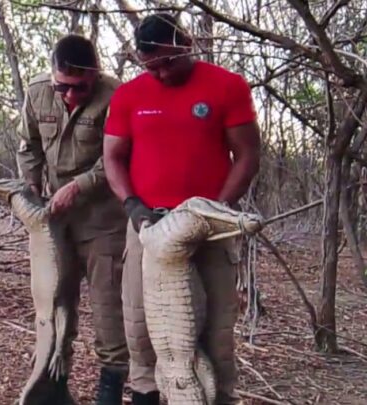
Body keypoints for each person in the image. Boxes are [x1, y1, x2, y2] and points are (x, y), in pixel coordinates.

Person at [102, 13, 261, 405]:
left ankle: (218, 396)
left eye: (168, 61)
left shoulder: (227, 86)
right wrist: (133, 206)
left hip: (209, 226)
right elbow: (113, 158)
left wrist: (216, 210)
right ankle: (146, 395)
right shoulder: (128, 95)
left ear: (186, 44)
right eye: (151, 66)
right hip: (148, 227)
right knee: (142, 332)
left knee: (217, 333)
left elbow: (247, 154)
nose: (161, 73)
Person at [16, 33, 129, 404]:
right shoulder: (36, 91)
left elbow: (119, 156)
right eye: (61, 87)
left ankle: (108, 393)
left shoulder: (117, 95)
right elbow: (29, 144)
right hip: (55, 222)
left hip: (104, 222)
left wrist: (79, 186)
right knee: (55, 304)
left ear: (94, 76)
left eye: (79, 88)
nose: (70, 96)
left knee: (108, 312)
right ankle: (53, 389)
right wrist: (32, 186)